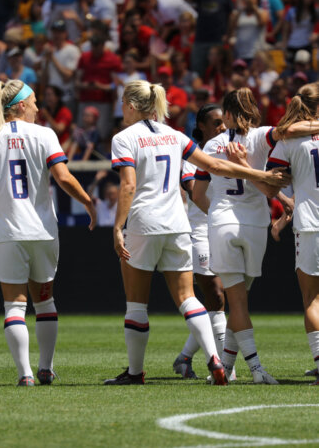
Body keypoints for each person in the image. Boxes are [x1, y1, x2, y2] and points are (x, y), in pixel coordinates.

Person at [104, 79, 290, 386]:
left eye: (123, 102)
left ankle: (135, 373)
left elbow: (128, 185)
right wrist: (258, 173)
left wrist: (117, 226)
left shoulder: (124, 137)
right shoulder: (175, 135)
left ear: (134, 106)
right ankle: (215, 359)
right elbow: (216, 166)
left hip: (143, 224)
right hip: (178, 224)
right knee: (188, 297)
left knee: (137, 302)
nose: (121, 108)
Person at [0, 79, 96, 386]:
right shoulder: (45, 134)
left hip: (7, 231)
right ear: (22, 105)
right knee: (45, 301)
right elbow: (63, 178)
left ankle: (24, 374)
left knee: (14, 306)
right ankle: (46, 368)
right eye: (35, 101)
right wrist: (89, 203)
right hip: (42, 231)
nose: (39, 107)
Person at [192, 87, 318, 384]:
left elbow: (198, 195)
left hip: (224, 224)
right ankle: (224, 367)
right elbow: (290, 130)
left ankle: (256, 369)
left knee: (237, 305)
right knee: (240, 301)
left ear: (227, 114)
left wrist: (218, 214)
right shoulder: (264, 135)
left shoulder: (212, 145)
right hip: (256, 224)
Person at [266, 83, 319, 385]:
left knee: (312, 299)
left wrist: (288, 205)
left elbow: (272, 181)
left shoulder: (286, 139)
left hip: (310, 223)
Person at [173, 104, 230, 380]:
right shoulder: (191, 157)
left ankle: (184, 357)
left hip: (224, 230)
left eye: (224, 123)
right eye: (216, 123)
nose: (222, 128)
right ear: (202, 128)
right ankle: (224, 369)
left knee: (222, 299)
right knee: (216, 295)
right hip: (198, 231)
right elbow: (195, 192)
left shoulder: (230, 152)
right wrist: (224, 214)